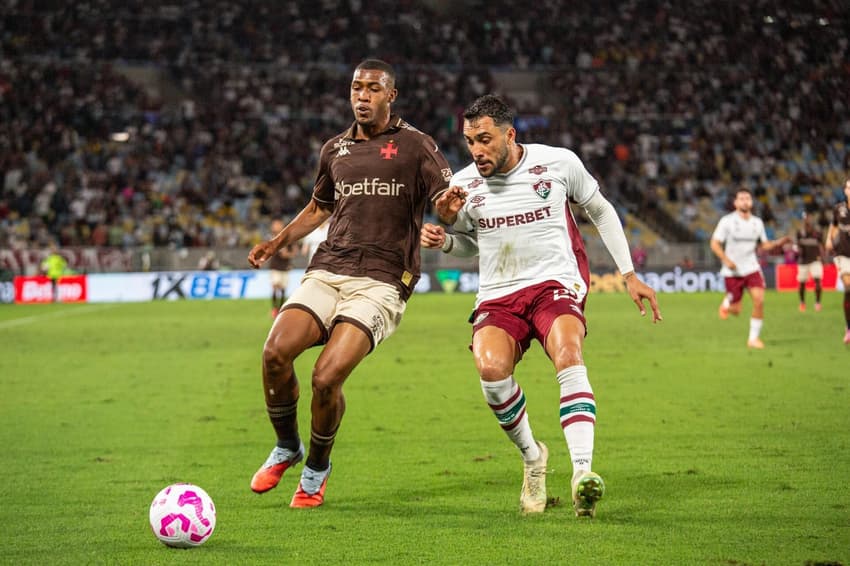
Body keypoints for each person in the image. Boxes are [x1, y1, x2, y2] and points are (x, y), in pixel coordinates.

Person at [420, 94, 662, 517]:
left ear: (509, 135)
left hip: (554, 283)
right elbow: (470, 247)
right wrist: (446, 238)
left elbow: (601, 212)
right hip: (499, 293)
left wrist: (628, 274)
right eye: (469, 141)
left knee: (569, 352)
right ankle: (533, 457)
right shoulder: (463, 186)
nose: (476, 150)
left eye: (484, 139)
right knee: (491, 371)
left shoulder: (558, 163)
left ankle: (582, 474)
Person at [246, 59, 452, 508]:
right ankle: (287, 446)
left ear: (390, 95)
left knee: (326, 377)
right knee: (275, 353)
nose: (362, 95)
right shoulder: (334, 149)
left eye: (372, 88)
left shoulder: (417, 145)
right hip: (329, 267)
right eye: (356, 87)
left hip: (381, 279)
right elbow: (319, 207)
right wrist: (275, 241)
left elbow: (445, 202)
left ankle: (317, 468)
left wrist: (450, 213)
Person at [710, 188, 790, 348]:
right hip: (732, 270)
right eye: (741, 198)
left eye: (748, 198)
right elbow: (714, 243)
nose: (745, 201)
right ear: (735, 203)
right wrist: (726, 260)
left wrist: (776, 243)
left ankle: (753, 339)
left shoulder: (757, 222)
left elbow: (764, 244)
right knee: (736, 310)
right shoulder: (727, 221)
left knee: (759, 301)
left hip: (752, 267)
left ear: (752, 202)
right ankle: (727, 304)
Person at [824, 178, 850, 344]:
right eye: (849, 187)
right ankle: (849, 328)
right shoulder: (839, 209)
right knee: (848, 288)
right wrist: (828, 239)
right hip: (843, 255)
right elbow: (833, 225)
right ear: (845, 191)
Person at [267, 219, 298, 318]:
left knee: (283, 289)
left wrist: (288, 255)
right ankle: (274, 309)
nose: (275, 226)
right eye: (274, 224)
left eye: (277, 224)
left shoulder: (287, 238)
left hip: (285, 267)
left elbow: (294, 250)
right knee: (275, 286)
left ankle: (280, 308)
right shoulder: (271, 238)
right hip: (275, 267)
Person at [794, 212, 825, 312]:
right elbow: (797, 246)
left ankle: (818, 302)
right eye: (806, 218)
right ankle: (802, 302)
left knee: (818, 281)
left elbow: (821, 246)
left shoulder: (818, 233)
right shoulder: (800, 233)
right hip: (803, 261)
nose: (808, 220)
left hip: (815, 260)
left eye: (809, 218)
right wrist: (798, 249)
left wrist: (822, 257)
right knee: (802, 283)